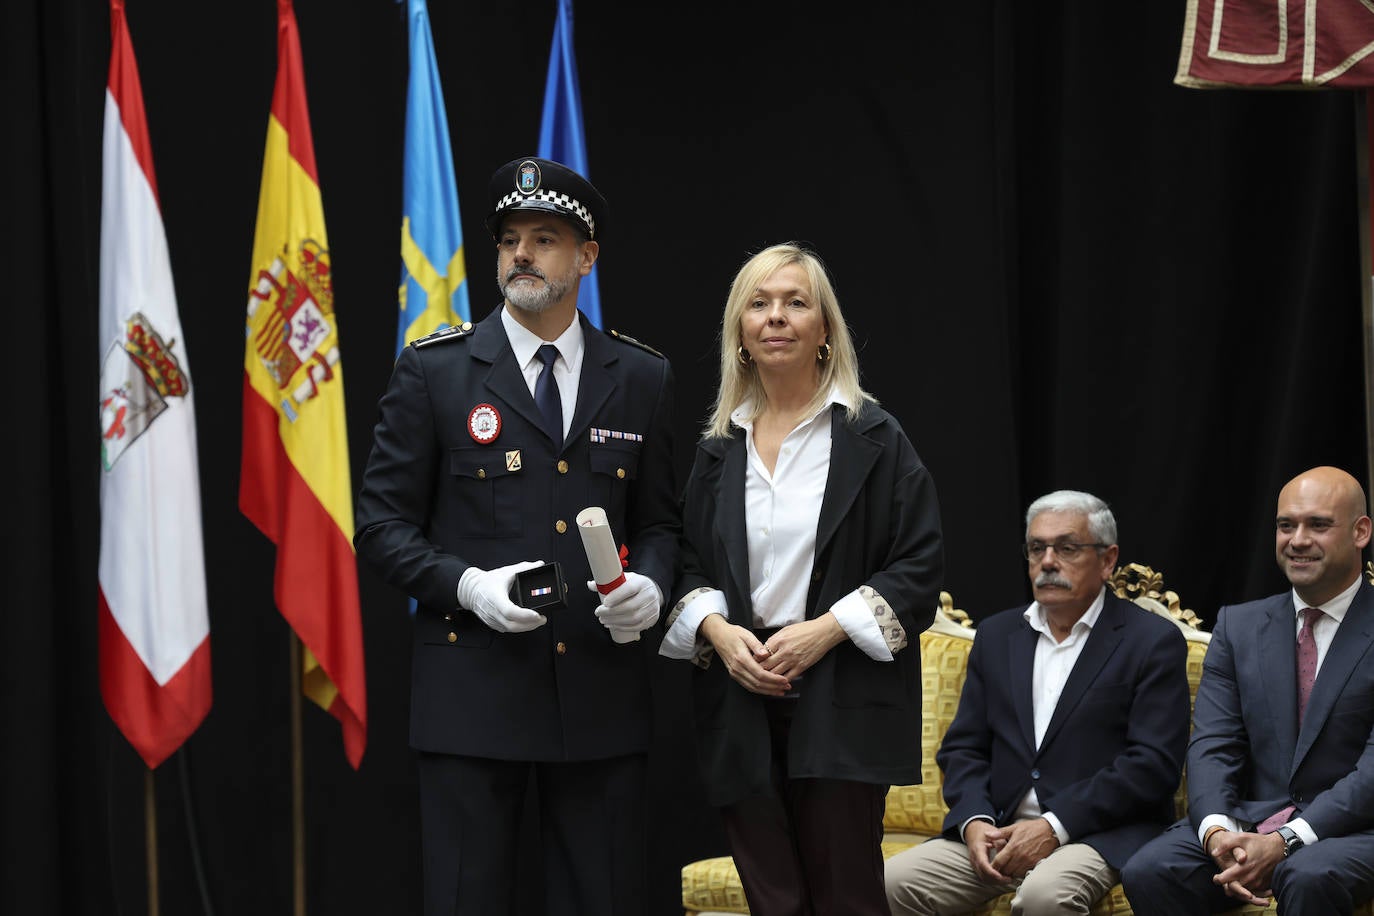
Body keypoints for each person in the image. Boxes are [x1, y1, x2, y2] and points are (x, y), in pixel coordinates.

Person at [353, 156, 679, 916]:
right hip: (474, 696)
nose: (521, 255)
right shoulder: (436, 371)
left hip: (599, 698)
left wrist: (654, 586)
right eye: (509, 240)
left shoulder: (640, 376)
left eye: (544, 238)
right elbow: (380, 526)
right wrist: (467, 587)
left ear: (587, 256)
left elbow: (662, 522)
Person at [658, 242, 944, 916]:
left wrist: (823, 632)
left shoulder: (875, 438)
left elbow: (920, 564)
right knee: (774, 901)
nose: (775, 317)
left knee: (847, 899)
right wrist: (722, 635)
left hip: (840, 693)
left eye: (795, 302)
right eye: (758, 304)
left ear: (825, 330)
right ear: (741, 335)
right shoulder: (718, 450)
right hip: (739, 693)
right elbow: (684, 560)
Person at [885, 489, 1191, 916]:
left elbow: (1152, 765)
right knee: (893, 883)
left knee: (1044, 897)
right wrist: (975, 820)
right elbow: (963, 748)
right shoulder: (997, 636)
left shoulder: (1151, 642)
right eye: (1036, 548)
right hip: (1000, 829)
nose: (1048, 562)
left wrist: (1053, 825)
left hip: (1099, 833)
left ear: (1107, 560)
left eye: (1066, 548)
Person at [1121, 465, 1374, 915]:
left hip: (1359, 827)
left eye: (1317, 524)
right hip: (1254, 817)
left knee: (1308, 874)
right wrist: (1218, 832)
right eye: (1285, 525)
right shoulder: (1239, 626)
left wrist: (1286, 841)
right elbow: (1214, 745)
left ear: (1360, 532)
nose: (1297, 539)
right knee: (1152, 869)